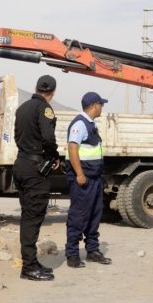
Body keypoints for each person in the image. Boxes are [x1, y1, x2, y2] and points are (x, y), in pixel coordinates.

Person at [13, 75, 61, 281]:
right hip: (35, 168)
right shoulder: (44, 108)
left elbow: (16, 136)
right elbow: (49, 137)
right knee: (33, 218)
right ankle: (29, 268)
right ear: (53, 92)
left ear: (36, 87)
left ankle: (31, 262)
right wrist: (53, 156)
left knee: (27, 216)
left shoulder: (22, 108)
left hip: (22, 163)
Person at [64, 91, 112, 268]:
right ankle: (72, 254)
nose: (102, 108)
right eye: (101, 104)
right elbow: (72, 148)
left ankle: (92, 250)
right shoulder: (80, 123)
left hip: (94, 178)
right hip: (84, 179)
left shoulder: (90, 124)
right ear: (94, 106)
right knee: (79, 216)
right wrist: (79, 174)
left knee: (94, 214)